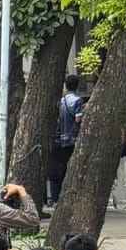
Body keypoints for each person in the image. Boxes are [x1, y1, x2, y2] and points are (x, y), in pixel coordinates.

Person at [51, 75, 84, 206]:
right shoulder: (78, 100)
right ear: (77, 85)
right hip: (72, 139)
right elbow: (78, 119)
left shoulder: (61, 101)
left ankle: (55, 198)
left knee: (59, 169)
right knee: (71, 169)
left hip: (59, 139)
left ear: (65, 85)